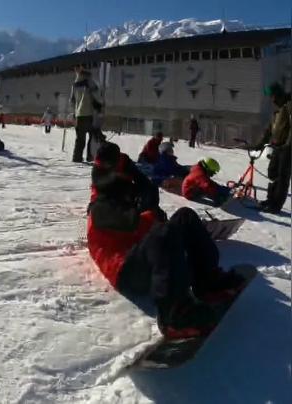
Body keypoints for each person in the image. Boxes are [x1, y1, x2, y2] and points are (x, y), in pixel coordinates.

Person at [87, 142, 246, 338]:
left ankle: (208, 283)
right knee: (161, 234)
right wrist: (150, 213)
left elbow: (148, 197)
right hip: (125, 271)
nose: (133, 192)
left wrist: (139, 180)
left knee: (185, 216)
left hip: (142, 256)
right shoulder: (100, 208)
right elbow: (133, 223)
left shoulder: (125, 195)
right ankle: (172, 313)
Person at [247, 82, 291, 213]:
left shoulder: (289, 106)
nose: (271, 100)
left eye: (273, 96)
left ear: (278, 94)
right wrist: (259, 145)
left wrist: (288, 146)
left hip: (287, 148)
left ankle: (275, 205)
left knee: (282, 176)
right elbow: (268, 131)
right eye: (270, 97)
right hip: (277, 147)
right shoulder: (277, 111)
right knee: (272, 173)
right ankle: (270, 199)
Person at [69, 66, 103, 162]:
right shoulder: (90, 82)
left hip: (79, 116)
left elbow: (72, 100)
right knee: (93, 137)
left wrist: (76, 109)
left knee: (80, 138)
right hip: (90, 114)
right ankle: (91, 156)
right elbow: (97, 96)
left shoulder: (75, 84)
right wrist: (101, 104)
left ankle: (77, 157)